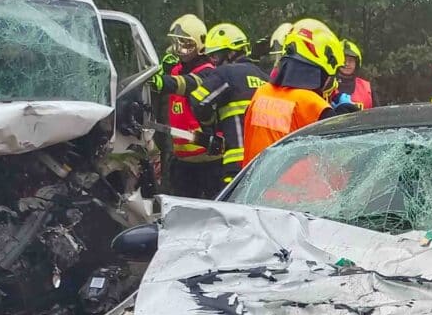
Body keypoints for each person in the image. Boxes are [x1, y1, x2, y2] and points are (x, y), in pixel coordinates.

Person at [150, 22, 270, 185]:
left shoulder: (226, 73)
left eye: (216, 56)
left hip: (234, 164)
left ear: (231, 53)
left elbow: (199, 102)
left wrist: (209, 127)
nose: (214, 61)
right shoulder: (264, 77)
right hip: (264, 163)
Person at [242, 18, 357, 163]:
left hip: (253, 177)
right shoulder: (312, 105)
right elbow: (340, 153)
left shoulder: (261, 94)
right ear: (323, 70)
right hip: (296, 179)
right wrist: (345, 116)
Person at [161, 14, 221, 199]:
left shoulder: (209, 72)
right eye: (177, 43)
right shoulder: (175, 71)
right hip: (183, 161)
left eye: (187, 44)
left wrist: (162, 81)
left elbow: (188, 84)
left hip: (209, 159)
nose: (181, 50)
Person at [336, 40, 373, 109]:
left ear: (357, 63)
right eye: (343, 60)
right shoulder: (327, 86)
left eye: (350, 60)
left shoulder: (367, 87)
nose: (346, 64)